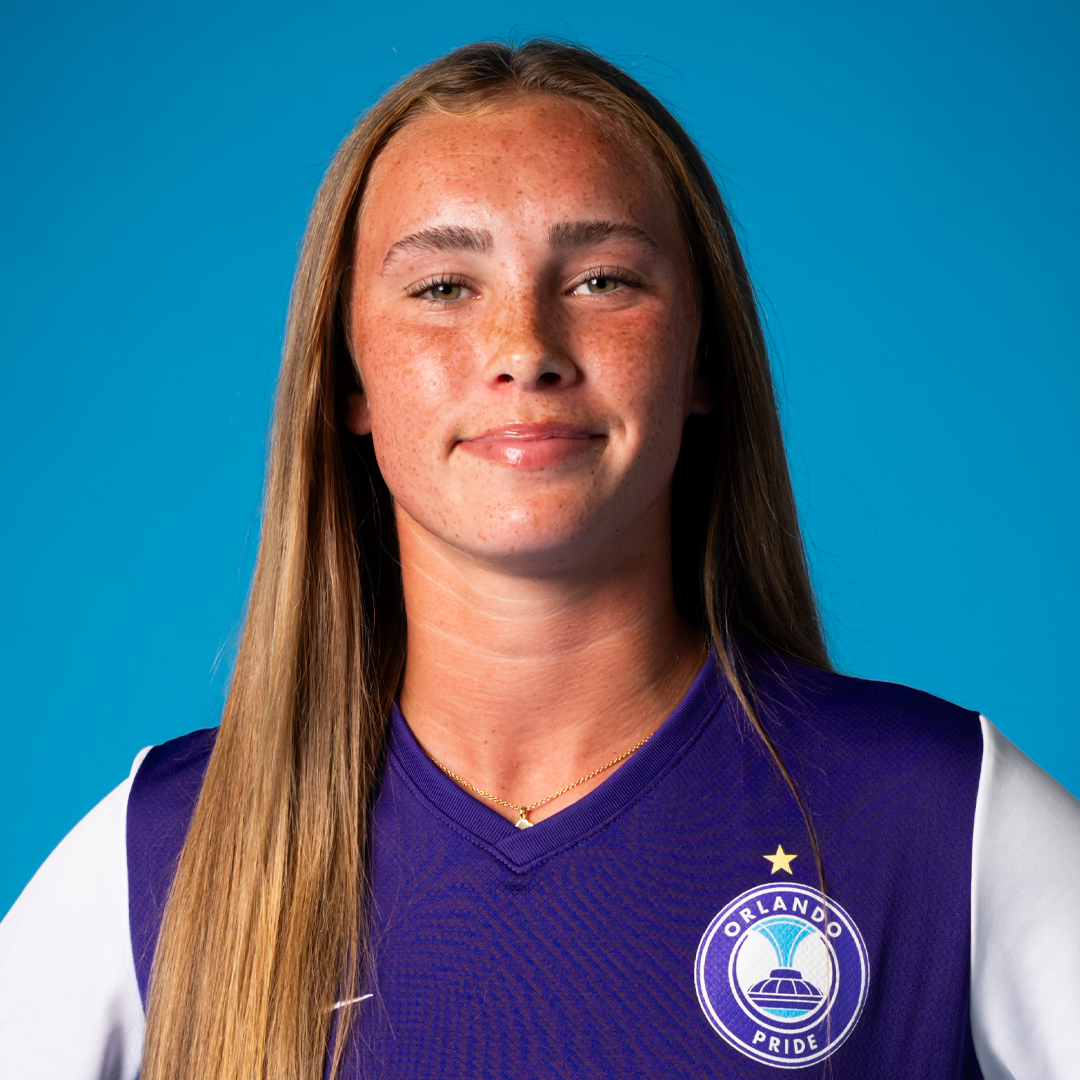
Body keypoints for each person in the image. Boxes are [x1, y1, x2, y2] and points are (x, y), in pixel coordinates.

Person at [0, 39, 1076, 1080]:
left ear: (702, 358)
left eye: (605, 279)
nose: (525, 348)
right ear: (349, 384)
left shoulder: (940, 819)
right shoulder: (163, 857)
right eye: (442, 288)